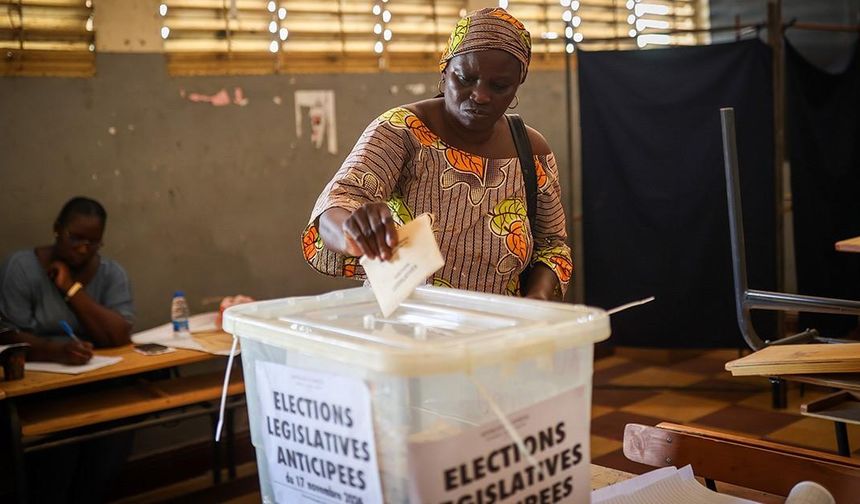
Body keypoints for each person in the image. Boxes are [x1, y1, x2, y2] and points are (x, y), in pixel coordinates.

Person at [302, 7, 572, 300]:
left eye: (499, 86)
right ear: (445, 70)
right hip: (409, 329)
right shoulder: (403, 131)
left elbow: (552, 246)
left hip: (497, 331)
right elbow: (337, 205)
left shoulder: (531, 153)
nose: (480, 95)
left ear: (518, 83)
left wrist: (537, 301)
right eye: (465, 78)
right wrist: (353, 231)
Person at [0, 196, 134, 363]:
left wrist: (71, 289)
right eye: (75, 238)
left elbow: (119, 338)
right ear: (57, 229)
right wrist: (57, 352)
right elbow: (8, 337)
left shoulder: (112, 273)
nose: (83, 249)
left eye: (93, 242)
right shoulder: (20, 268)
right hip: (39, 374)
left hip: (99, 371)